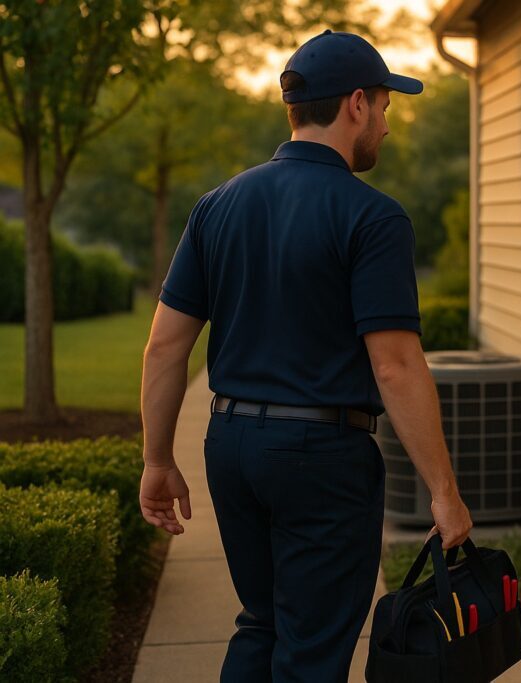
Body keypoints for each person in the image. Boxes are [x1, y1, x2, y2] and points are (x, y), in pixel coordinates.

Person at [137, 31, 472, 682]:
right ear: (354, 105)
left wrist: (156, 458)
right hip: (320, 460)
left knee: (261, 623)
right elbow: (396, 366)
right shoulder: (373, 217)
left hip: (230, 447)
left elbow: (164, 345)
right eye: (384, 108)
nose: (386, 127)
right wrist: (444, 491)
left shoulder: (217, 206)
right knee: (312, 649)